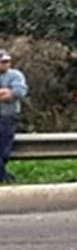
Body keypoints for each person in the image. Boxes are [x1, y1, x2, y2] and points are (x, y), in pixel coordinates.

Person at [0, 50, 29, 183]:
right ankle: (5, 176)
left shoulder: (16, 75)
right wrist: (5, 92)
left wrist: (10, 93)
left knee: (5, 149)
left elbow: (19, 91)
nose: (5, 64)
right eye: (2, 62)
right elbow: (8, 94)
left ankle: (3, 175)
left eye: (7, 62)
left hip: (8, 117)